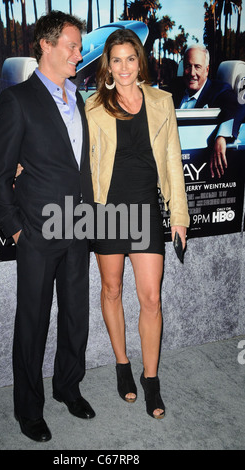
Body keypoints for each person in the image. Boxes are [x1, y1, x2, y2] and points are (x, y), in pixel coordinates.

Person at [0, 11, 95, 443]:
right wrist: (15, 229)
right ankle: (28, 409)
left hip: (80, 226)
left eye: (79, 45)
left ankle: (68, 387)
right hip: (37, 231)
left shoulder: (80, 98)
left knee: (75, 318)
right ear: (46, 46)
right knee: (32, 323)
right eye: (71, 44)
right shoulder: (18, 99)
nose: (79, 52)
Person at [85, 29, 189, 419]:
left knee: (150, 298)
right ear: (107, 65)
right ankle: (122, 365)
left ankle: (151, 379)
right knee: (111, 290)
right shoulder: (94, 106)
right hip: (107, 211)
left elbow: (174, 164)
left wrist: (178, 216)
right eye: (117, 59)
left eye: (131, 58)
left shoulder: (162, 101)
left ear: (139, 61)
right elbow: (70, 150)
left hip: (146, 209)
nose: (124, 66)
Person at [171, 44, 242, 178]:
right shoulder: (174, 87)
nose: (192, 73)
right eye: (188, 66)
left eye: (197, 67)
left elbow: (239, 106)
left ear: (207, 70)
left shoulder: (218, 90)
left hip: (195, 165)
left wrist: (222, 137)